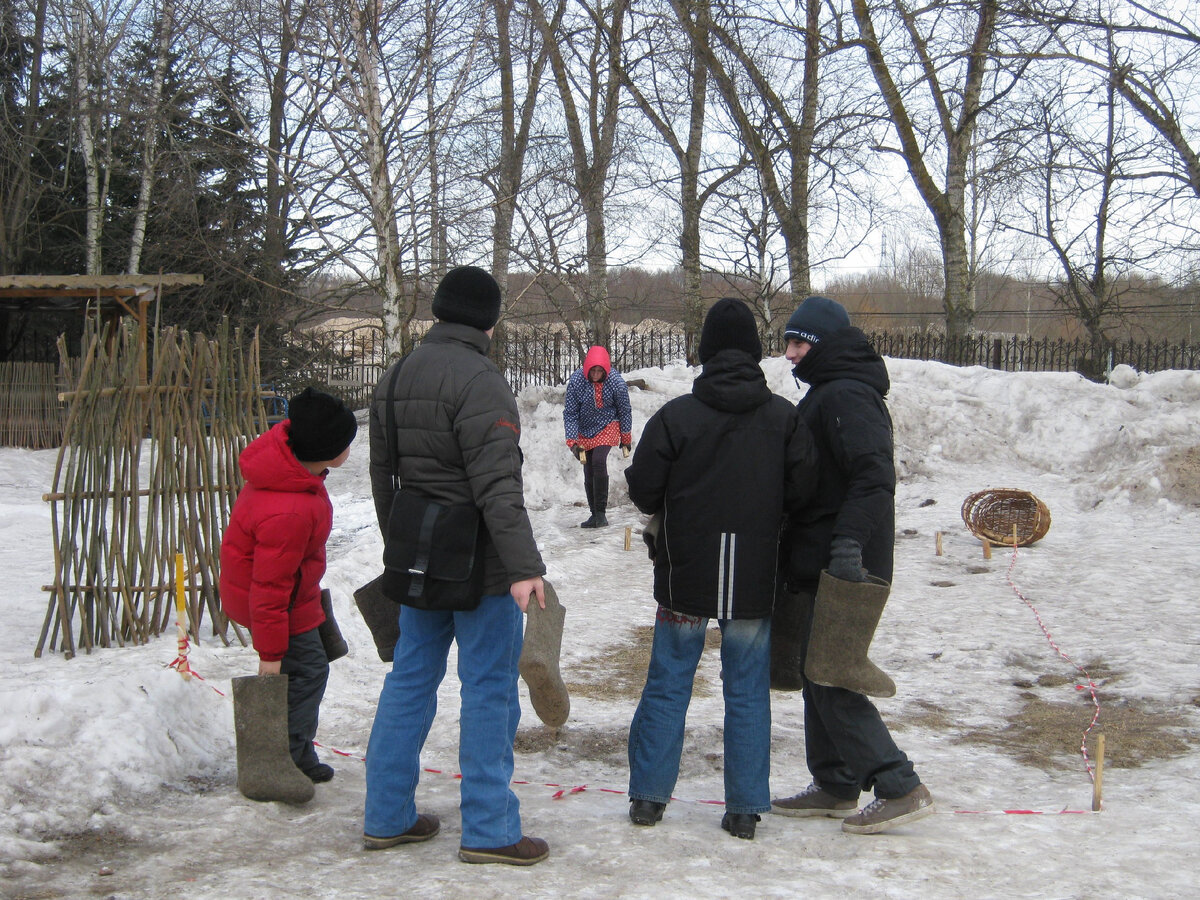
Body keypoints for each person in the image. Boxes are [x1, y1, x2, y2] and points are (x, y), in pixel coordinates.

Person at [364, 265, 550, 866]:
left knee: (409, 680)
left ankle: (385, 817)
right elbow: (499, 486)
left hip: (419, 558)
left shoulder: (395, 376)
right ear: (490, 320)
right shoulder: (482, 379)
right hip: (484, 566)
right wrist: (525, 567)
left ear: (440, 311)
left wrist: (403, 547)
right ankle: (491, 831)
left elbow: (383, 476)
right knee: (490, 688)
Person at [624, 298, 818, 841]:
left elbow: (643, 490)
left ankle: (648, 799)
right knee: (748, 689)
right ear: (754, 353)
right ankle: (744, 809)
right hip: (754, 576)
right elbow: (804, 492)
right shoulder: (784, 417)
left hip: (685, 574)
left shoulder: (676, 416)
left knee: (667, 683)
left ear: (705, 352)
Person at [771, 294, 935, 834]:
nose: (789, 353)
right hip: (825, 554)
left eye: (796, 342)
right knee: (818, 672)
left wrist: (847, 548)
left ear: (817, 341)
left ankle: (897, 783)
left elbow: (873, 477)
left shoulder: (846, 394)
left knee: (833, 672)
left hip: (847, 560)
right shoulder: (830, 391)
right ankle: (837, 782)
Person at [220, 387, 358, 804]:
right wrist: (270, 653)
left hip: (294, 595)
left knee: (316, 661)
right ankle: (287, 756)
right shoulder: (289, 510)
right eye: (346, 442)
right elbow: (269, 587)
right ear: (326, 449)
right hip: (275, 606)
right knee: (307, 673)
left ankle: (296, 747)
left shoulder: (294, 473)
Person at [563, 344, 633, 528]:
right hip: (584, 429)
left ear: (605, 370)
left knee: (599, 460)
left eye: (599, 371)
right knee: (588, 467)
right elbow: (570, 413)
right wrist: (572, 442)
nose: (595, 375)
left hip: (608, 424)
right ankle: (593, 514)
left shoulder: (616, 382)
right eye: (592, 370)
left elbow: (624, 411)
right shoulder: (577, 381)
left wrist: (625, 438)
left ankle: (601, 513)